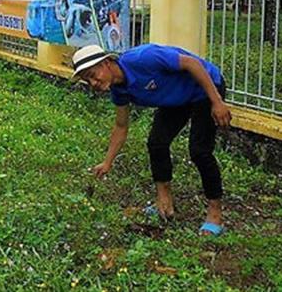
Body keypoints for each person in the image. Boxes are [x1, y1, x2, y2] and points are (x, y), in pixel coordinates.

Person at [73, 44, 232, 236]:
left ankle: (215, 213)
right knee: (157, 143)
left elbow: (192, 64)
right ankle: (164, 202)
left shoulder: (143, 58)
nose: (93, 83)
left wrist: (217, 102)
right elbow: (121, 127)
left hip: (204, 88)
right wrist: (107, 162)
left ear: (106, 63)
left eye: (92, 74)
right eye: (87, 80)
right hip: (176, 98)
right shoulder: (119, 91)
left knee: (199, 151)